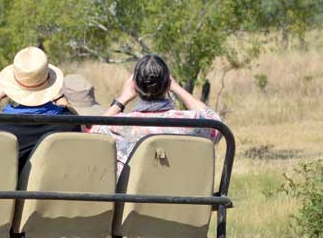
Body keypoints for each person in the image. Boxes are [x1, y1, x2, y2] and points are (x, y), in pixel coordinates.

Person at [90, 54, 223, 171]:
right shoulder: (190, 121)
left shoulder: (119, 125)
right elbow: (217, 124)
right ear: (167, 85)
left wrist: (122, 99)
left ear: (135, 86)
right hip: (182, 198)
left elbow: (92, 138)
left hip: (134, 199)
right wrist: (177, 88)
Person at [0, 46, 80, 167]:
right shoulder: (69, 121)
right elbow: (80, 125)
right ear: (49, 83)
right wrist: (59, 98)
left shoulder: (2, 125)